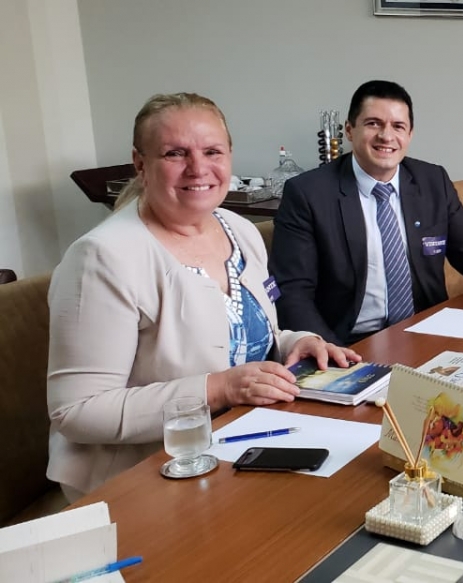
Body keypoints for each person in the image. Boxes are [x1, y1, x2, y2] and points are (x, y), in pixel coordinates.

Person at [46, 93, 359, 500]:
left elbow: (239, 335)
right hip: (143, 479)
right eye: (175, 153)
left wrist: (294, 343)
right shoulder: (101, 258)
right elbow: (77, 411)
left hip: (241, 445)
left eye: (212, 152)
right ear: (140, 163)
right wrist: (219, 389)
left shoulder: (238, 229)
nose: (198, 168)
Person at [270, 80, 463, 346]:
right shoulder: (308, 194)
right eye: (373, 123)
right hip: (349, 342)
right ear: (350, 130)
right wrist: (323, 346)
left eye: (398, 126)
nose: (386, 136)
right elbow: (292, 289)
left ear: (410, 135)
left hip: (426, 329)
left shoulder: (432, 180)